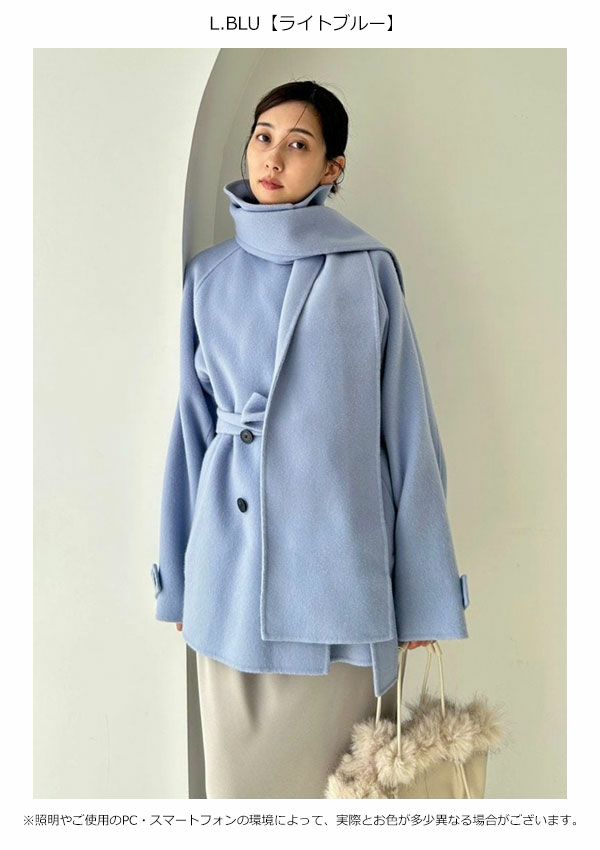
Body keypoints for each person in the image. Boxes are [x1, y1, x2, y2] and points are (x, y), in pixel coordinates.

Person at [151, 80, 469, 798]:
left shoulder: (367, 269)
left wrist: (424, 593)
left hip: (341, 585)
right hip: (232, 579)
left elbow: (408, 430)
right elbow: (191, 435)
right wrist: (180, 582)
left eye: (298, 144)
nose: (274, 157)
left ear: (332, 168)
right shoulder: (209, 277)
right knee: (240, 804)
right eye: (263, 137)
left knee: (341, 801)